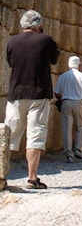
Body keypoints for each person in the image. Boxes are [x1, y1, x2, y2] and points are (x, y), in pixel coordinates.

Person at [4, 10, 60, 189]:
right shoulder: (46, 40)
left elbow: (11, 62)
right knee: (35, 135)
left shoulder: (12, 41)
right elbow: (54, 60)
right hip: (39, 93)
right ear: (39, 25)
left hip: (16, 93)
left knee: (8, 134)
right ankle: (32, 178)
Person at [54, 55, 82, 163]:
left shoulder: (63, 77)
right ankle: (78, 149)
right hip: (80, 102)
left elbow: (56, 92)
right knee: (80, 126)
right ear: (78, 65)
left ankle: (68, 153)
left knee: (67, 128)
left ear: (68, 65)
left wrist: (62, 98)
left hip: (66, 102)